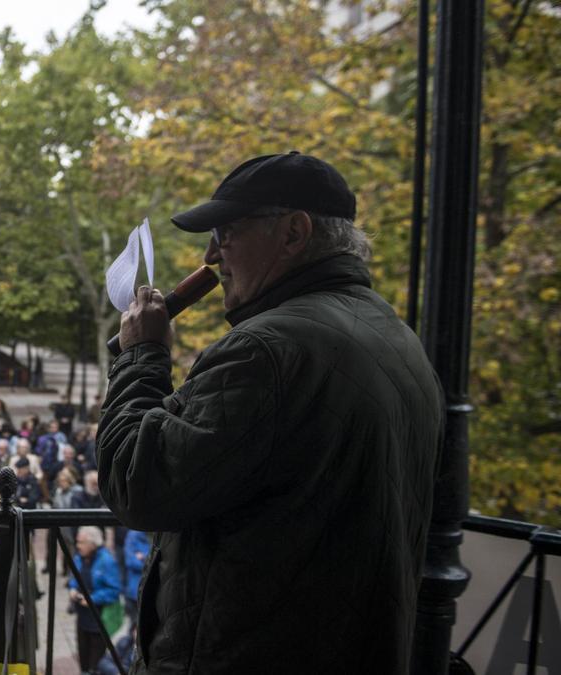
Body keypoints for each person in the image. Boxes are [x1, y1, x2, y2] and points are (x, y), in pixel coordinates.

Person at [97, 153, 443, 673]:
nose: (212, 255)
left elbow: (135, 482)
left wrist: (142, 358)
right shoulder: (400, 342)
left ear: (293, 232)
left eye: (227, 232)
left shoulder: (267, 350)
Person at [68, 526, 120, 675]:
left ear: (93, 543)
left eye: (81, 542)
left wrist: (92, 599)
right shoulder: (79, 557)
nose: (78, 546)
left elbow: (114, 591)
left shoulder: (107, 561)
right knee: (83, 658)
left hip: (99, 618)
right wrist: (72, 588)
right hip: (82, 616)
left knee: (96, 663)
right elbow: (74, 577)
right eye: (78, 542)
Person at [123, 529, 149, 632]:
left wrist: (144, 558)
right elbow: (131, 562)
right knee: (134, 625)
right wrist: (147, 561)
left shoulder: (147, 536)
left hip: (144, 588)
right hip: (134, 590)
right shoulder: (133, 535)